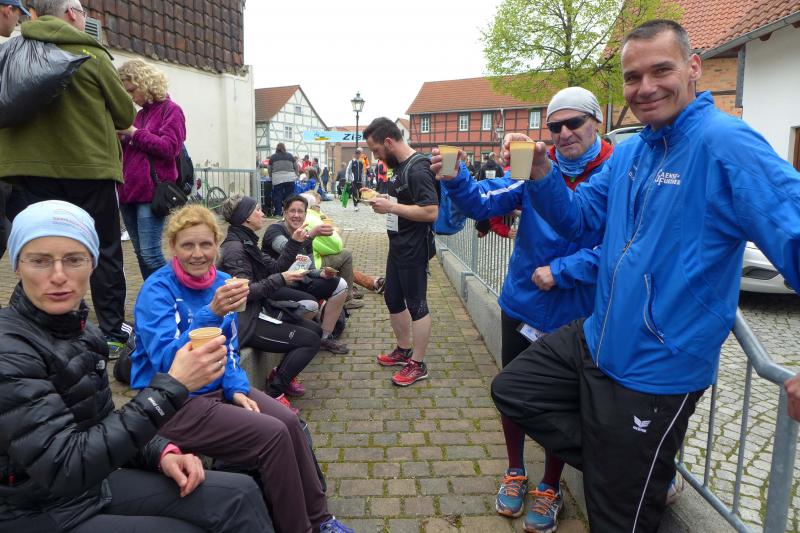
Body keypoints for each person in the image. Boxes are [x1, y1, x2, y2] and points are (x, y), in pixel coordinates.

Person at [487, 19, 800, 531]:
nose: (645, 87)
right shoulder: (632, 150)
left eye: (661, 70)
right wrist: (541, 174)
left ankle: (634, 471)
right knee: (513, 389)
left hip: (658, 367)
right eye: (633, 77)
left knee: (616, 517)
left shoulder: (726, 143)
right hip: (598, 338)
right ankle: (634, 466)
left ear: (693, 68)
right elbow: (579, 218)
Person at [0, 200, 272, 533]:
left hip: (93, 484)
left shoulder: (85, 333)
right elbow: (63, 465)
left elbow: (101, 423)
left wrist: (161, 452)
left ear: (92, 264)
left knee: (240, 493)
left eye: (74, 259)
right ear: (17, 266)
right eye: (40, 260)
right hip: (37, 509)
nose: (58, 276)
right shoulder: (10, 349)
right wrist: (169, 387)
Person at [432, 87, 613, 532]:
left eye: (574, 123)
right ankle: (515, 470)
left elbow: (619, 249)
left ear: (596, 122)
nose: (564, 133)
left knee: (561, 404)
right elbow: (483, 202)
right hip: (523, 304)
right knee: (512, 393)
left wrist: (564, 270)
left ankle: (550, 485)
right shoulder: (531, 164)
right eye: (555, 126)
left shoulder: (616, 172)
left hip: (576, 313)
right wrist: (454, 174)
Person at [129, 203, 354, 533]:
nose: (197, 254)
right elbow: (166, 362)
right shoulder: (157, 290)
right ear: (173, 247)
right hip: (173, 401)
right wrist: (210, 313)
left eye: (205, 244)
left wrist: (236, 388)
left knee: (289, 422)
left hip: (220, 388)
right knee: (272, 436)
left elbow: (231, 350)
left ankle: (321, 519)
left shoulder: (223, 282)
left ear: (216, 246)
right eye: (187, 245)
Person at [0, 0, 135, 358]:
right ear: (72, 14)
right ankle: (111, 331)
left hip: (23, 171)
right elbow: (124, 114)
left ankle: (36, 335)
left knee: (38, 252)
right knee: (104, 250)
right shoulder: (90, 54)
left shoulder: (13, 51)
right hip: (87, 170)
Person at [218, 194, 323, 402]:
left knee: (316, 330)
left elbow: (275, 267)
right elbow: (246, 292)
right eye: (258, 209)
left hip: (258, 310)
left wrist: (294, 243)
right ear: (246, 217)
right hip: (245, 321)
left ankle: (280, 375)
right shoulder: (235, 249)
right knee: (310, 341)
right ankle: (275, 392)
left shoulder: (247, 241)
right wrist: (281, 279)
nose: (263, 213)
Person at [363, 117, 439, 386]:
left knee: (417, 304)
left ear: (388, 142)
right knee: (393, 298)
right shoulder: (400, 168)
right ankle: (403, 350)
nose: (375, 157)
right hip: (397, 246)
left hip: (414, 248)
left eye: (376, 150)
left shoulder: (417, 169)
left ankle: (418, 364)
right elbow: (405, 201)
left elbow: (430, 211)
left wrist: (391, 207)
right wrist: (383, 199)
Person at [117, 59, 186, 280]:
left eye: (132, 90)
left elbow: (169, 148)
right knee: (141, 253)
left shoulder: (171, 110)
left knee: (151, 254)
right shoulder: (140, 115)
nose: (130, 97)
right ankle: (153, 295)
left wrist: (134, 133)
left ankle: (171, 293)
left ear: (145, 83)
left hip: (151, 193)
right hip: (128, 192)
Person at [261, 195, 351, 353]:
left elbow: (310, 266)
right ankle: (293, 337)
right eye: (292, 211)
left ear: (305, 214)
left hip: (300, 281)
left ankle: (325, 337)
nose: (296, 215)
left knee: (340, 284)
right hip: (277, 285)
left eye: (300, 211)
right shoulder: (274, 230)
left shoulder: (305, 233)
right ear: (284, 213)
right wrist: (311, 235)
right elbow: (285, 248)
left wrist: (322, 273)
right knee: (311, 304)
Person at [268, 143, 298, 216]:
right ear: (284, 148)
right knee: (290, 196)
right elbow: (296, 167)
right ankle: (289, 212)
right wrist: (296, 174)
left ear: (277, 148)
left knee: (278, 196)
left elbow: (269, 169)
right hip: (290, 178)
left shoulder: (273, 157)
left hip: (277, 179)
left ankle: (278, 213)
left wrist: (271, 177)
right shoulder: (290, 156)